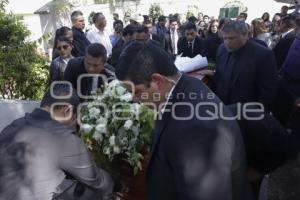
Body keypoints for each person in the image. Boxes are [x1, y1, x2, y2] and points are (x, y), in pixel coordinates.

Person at [115, 41, 253, 200]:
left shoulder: (195, 131)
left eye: (137, 92)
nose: (135, 99)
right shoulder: (186, 85)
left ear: (158, 81)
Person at [0, 83, 114, 200]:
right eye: (74, 119)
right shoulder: (63, 136)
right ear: (67, 111)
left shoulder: (13, 126)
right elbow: (97, 181)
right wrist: (116, 183)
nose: (74, 126)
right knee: (94, 191)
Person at [213, 21, 278, 112]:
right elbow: (219, 77)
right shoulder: (221, 49)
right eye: (225, 38)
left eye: (231, 38)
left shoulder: (263, 55)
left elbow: (267, 92)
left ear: (245, 35)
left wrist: (256, 116)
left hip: (246, 113)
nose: (227, 42)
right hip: (222, 109)